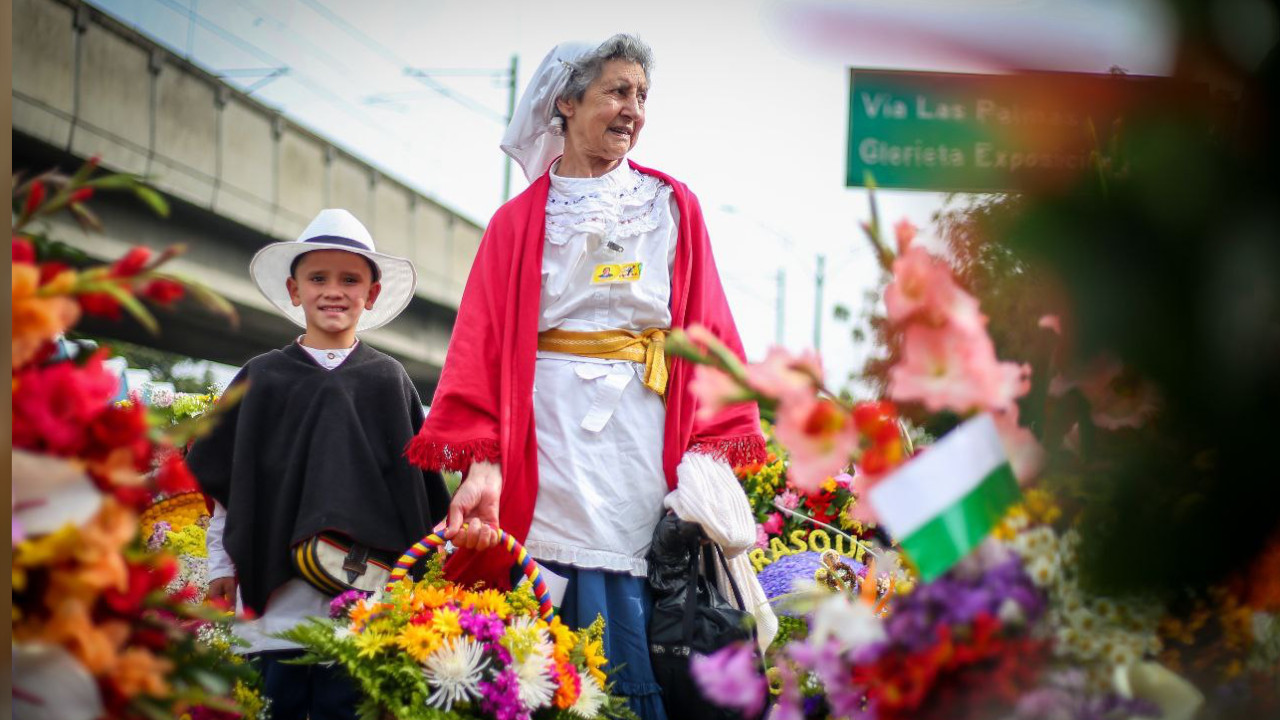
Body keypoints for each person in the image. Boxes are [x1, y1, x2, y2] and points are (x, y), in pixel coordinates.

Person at [407, 35, 771, 719]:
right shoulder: (516, 223)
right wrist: (484, 463)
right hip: (543, 431)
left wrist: (705, 451)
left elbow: (710, 332)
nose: (633, 109)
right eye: (617, 92)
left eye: (641, 95)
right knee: (545, 575)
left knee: (638, 569)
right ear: (567, 104)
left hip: (642, 427)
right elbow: (479, 346)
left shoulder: (672, 205)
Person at [189, 209, 450, 720]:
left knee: (347, 707)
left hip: (361, 605)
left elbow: (415, 497)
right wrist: (221, 566)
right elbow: (229, 485)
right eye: (318, 278)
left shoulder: (389, 382)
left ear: (371, 295)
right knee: (274, 705)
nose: (334, 291)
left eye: (350, 279)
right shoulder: (260, 379)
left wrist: (407, 590)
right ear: (294, 289)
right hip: (274, 601)